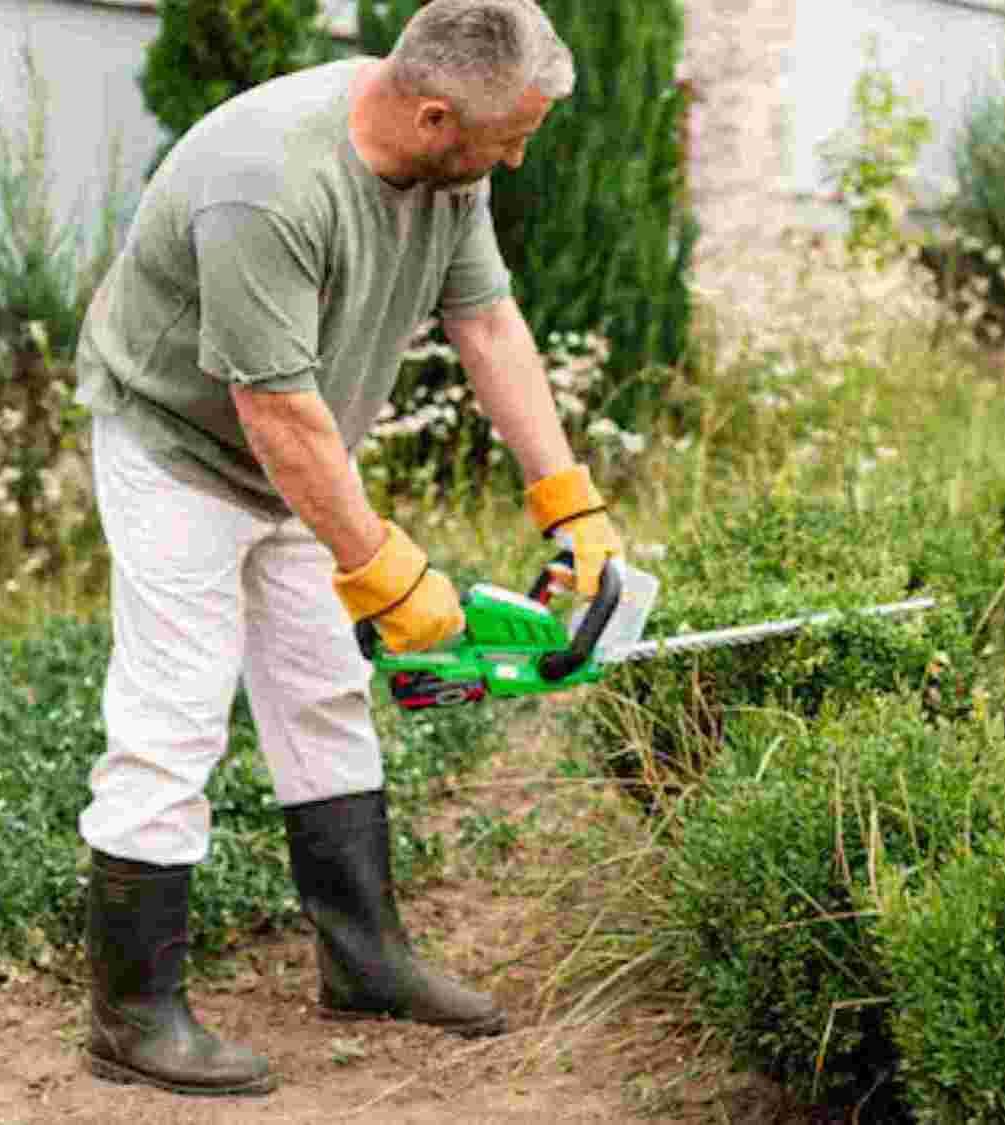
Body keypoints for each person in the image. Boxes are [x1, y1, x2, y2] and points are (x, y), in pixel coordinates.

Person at [65, 0, 623, 1098]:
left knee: (323, 691)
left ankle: (363, 960)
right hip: (181, 449)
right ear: (430, 115)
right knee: (174, 712)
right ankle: (129, 1016)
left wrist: (569, 503)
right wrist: (381, 569)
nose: (517, 156)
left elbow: (489, 323)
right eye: (510, 137)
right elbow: (270, 410)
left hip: (300, 448)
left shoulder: (450, 171)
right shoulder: (265, 182)